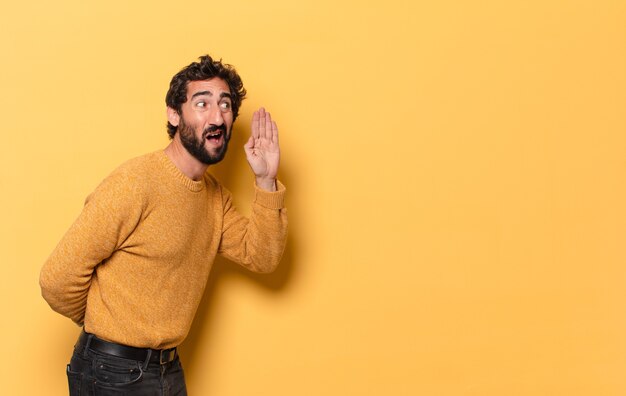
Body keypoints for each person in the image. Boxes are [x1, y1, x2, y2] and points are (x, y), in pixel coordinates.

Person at [39, 54, 288, 395]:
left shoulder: (215, 199)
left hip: (168, 369)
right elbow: (56, 279)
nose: (217, 117)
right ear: (174, 114)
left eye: (225, 105)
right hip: (111, 371)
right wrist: (105, 321)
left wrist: (265, 181)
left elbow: (262, 256)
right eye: (202, 104)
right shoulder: (135, 182)